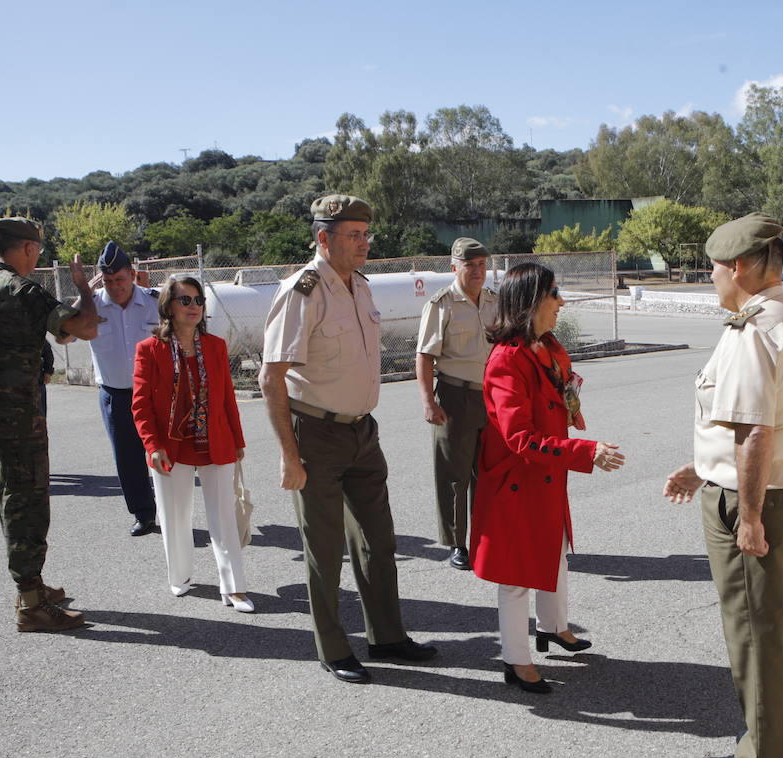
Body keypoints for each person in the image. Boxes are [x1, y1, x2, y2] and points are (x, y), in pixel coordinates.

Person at [663, 213, 783, 758]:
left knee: (757, 630)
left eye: (711, 269)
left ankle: (767, 755)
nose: (709, 278)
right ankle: (782, 739)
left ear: (737, 268)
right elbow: (773, 422)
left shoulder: (751, 330)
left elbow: (754, 431)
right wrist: (700, 466)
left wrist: (751, 517)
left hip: (764, 499)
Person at [260, 194, 437, 683]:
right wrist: (288, 457)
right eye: (354, 235)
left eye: (366, 234)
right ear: (324, 238)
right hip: (314, 433)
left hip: (362, 431)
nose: (364, 243)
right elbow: (270, 378)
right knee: (324, 547)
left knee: (378, 542)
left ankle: (387, 636)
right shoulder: (304, 290)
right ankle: (333, 647)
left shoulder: (359, 285)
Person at [469, 263, 625, 693]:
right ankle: (516, 660)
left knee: (555, 552)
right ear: (531, 301)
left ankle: (553, 627)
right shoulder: (506, 360)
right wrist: (587, 452)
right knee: (517, 576)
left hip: (546, 474)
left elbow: (562, 393)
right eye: (555, 293)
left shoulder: (549, 346)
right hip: (517, 480)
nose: (561, 302)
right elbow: (520, 439)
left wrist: (572, 411)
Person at [0, 217, 99, 631]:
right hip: (17, 418)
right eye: (37, 249)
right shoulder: (21, 289)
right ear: (29, 249)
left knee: (9, 504)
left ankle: (29, 584)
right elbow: (84, 328)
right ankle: (32, 605)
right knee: (28, 509)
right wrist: (84, 287)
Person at [131, 276, 253, 612]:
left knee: (224, 516)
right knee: (175, 515)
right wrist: (152, 444)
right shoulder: (149, 350)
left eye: (198, 300)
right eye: (185, 301)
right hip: (170, 446)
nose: (194, 307)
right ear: (168, 306)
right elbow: (140, 405)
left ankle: (234, 588)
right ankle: (180, 577)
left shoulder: (215, 346)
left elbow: (227, 397)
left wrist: (237, 440)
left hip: (214, 441)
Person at [415, 237, 499, 570]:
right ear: (455, 267)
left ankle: (483, 536)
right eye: (470, 265)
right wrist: (427, 401)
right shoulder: (442, 304)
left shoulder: (496, 300)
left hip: (491, 396)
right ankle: (456, 542)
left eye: (482, 265)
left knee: (487, 472)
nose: (478, 272)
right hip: (455, 395)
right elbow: (424, 356)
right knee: (454, 474)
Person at [88, 241, 160, 536]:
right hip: (115, 394)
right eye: (107, 281)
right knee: (127, 457)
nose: (114, 287)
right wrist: (85, 288)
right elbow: (64, 332)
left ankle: (172, 510)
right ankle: (144, 513)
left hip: (155, 393)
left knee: (165, 454)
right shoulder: (90, 304)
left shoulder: (157, 300)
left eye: (119, 279)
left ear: (132, 274)